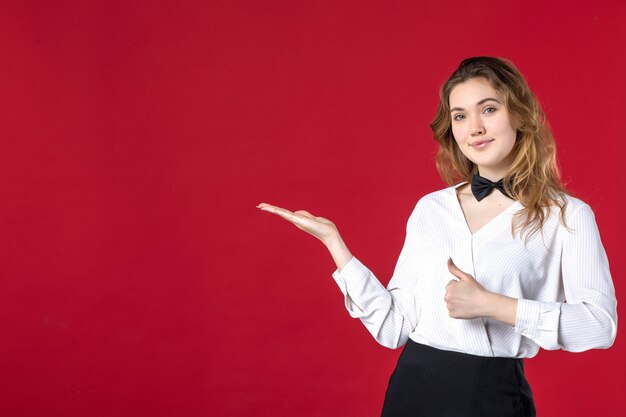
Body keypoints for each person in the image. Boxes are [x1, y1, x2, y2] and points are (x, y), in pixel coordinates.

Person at [257, 57, 617, 417]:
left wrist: (491, 305)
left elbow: (600, 326)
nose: (474, 128)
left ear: (520, 116)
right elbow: (393, 326)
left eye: (488, 109)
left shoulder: (567, 215)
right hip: (412, 389)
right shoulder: (431, 209)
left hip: (492, 396)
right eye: (460, 116)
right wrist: (334, 243)